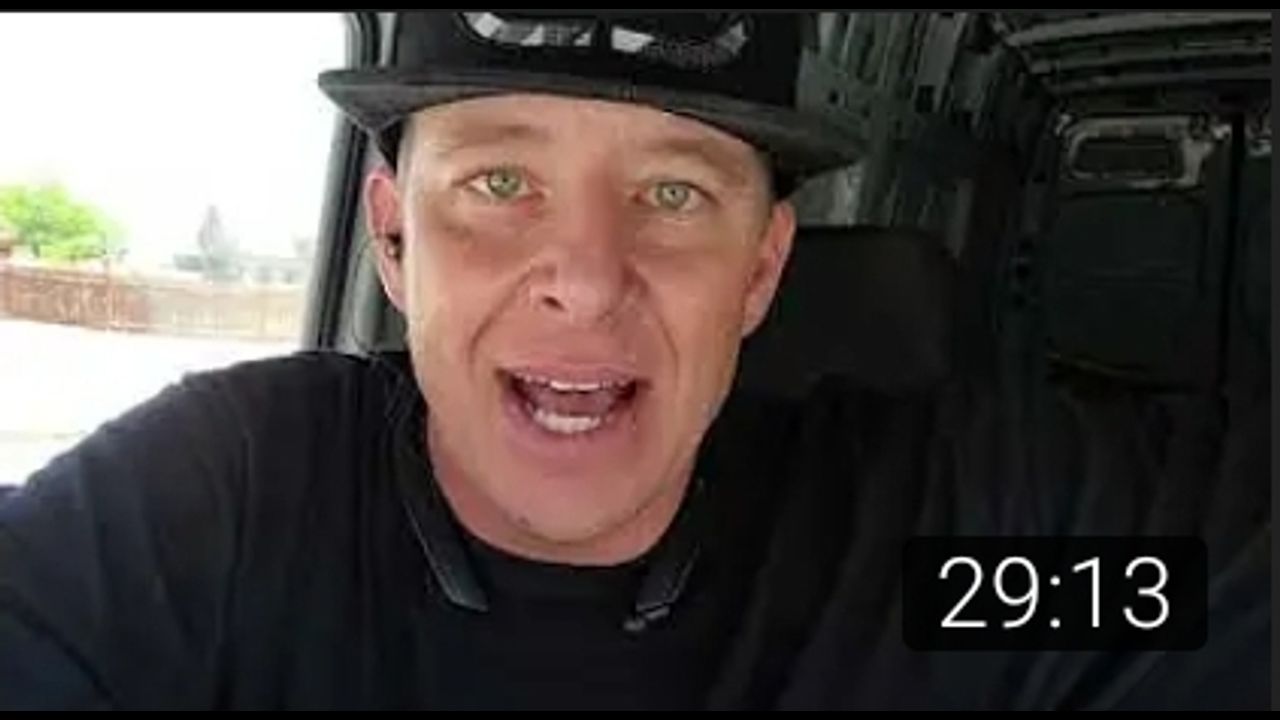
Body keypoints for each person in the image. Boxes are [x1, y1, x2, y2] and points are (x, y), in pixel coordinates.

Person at [0, 12, 1268, 710]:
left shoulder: (926, 569)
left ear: (760, 268)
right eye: (499, 183)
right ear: (390, 239)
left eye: (672, 193)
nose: (588, 276)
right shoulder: (228, 516)